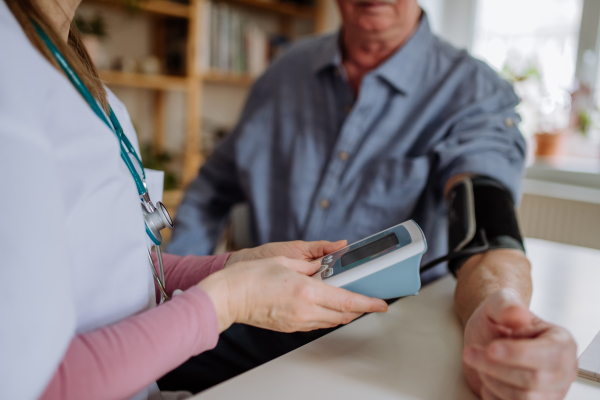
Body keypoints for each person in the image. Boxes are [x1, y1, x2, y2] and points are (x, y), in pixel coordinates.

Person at [166, 0, 579, 399]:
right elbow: (211, 188)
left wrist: (499, 308)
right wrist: (170, 287)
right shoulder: (283, 74)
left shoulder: (473, 91)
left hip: (378, 335)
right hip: (258, 313)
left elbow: (486, 234)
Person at [0, 1, 390, 399]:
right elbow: (29, 385)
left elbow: (110, 267)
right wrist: (230, 300)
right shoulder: (12, 75)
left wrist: (231, 265)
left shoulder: (72, 71)